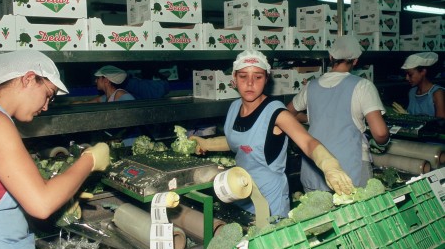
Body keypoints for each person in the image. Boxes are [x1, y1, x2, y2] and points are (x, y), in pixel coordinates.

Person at [0, 50, 110, 249]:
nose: (45, 106)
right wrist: (89, 160)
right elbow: (41, 204)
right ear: (29, 79)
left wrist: (63, 192)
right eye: (48, 95)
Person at [190, 50, 354, 218]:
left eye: (258, 77)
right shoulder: (234, 108)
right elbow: (240, 142)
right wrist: (207, 144)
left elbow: (307, 142)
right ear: (234, 78)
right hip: (239, 191)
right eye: (243, 76)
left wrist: (330, 166)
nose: (250, 83)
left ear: (266, 79)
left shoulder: (277, 113)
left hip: (269, 201)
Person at [286, 35, 389, 193]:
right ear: (355, 60)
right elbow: (380, 133)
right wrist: (383, 143)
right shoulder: (363, 86)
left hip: (315, 169)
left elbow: (287, 114)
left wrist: (314, 119)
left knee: (320, 217)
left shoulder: (311, 86)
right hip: (349, 170)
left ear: (331, 57)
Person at [393, 52, 445, 118]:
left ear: (423, 72)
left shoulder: (437, 93)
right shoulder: (412, 92)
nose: (406, 78)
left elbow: (441, 123)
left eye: (410, 74)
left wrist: (413, 119)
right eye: (405, 74)